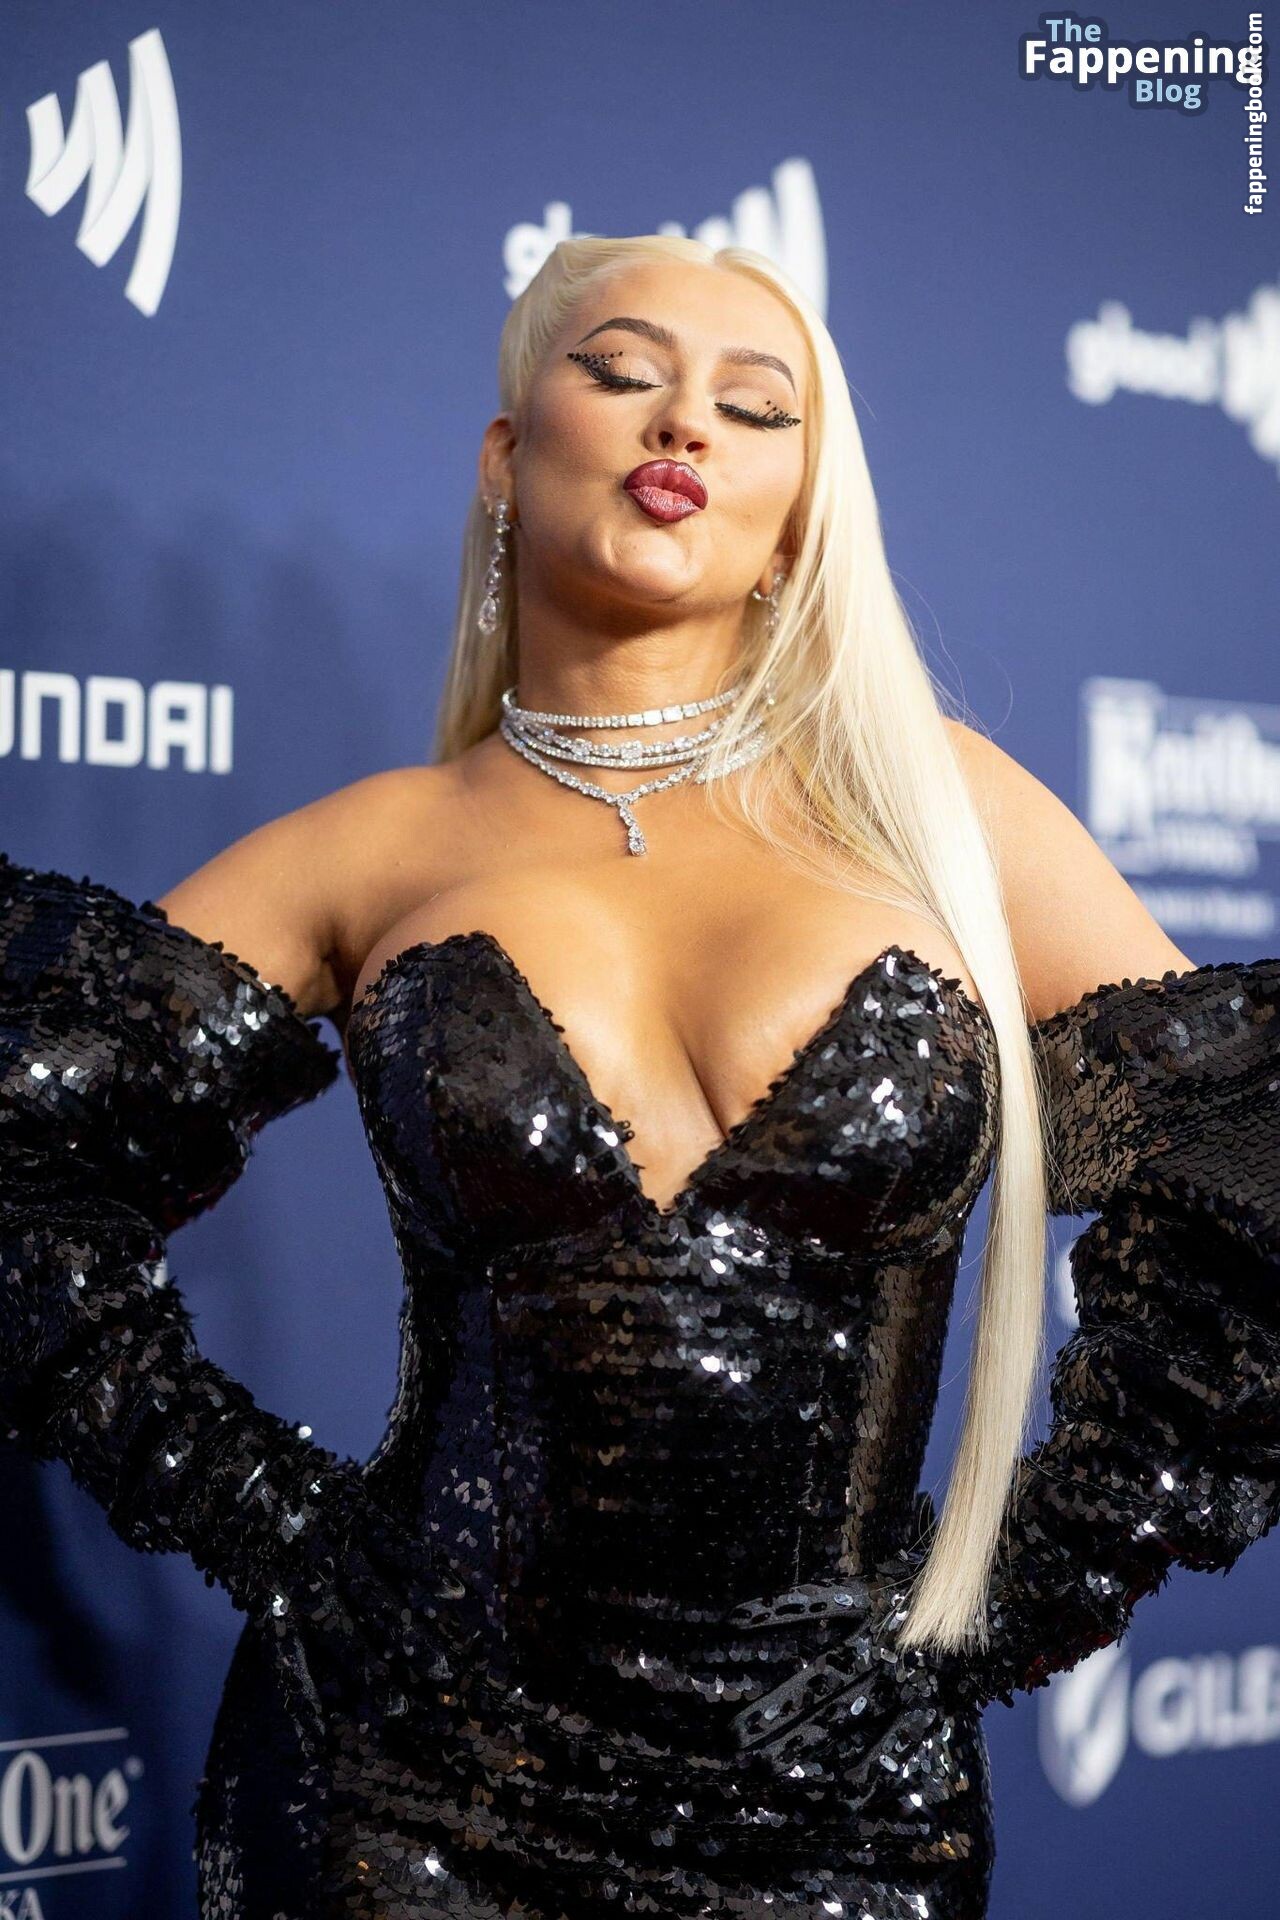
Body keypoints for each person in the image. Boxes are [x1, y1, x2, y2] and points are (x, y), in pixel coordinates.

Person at [1, 234, 1277, 1920]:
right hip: (409, 1786)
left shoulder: (944, 812)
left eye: (755, 409)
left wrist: (1017, 1594)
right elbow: (27, 1161)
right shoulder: (378, 848)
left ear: (801, 516)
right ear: (506, 457)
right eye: (620, 373)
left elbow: (1249, 1174)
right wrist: (269, 1522)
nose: (683, 425)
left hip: (844, 1808)